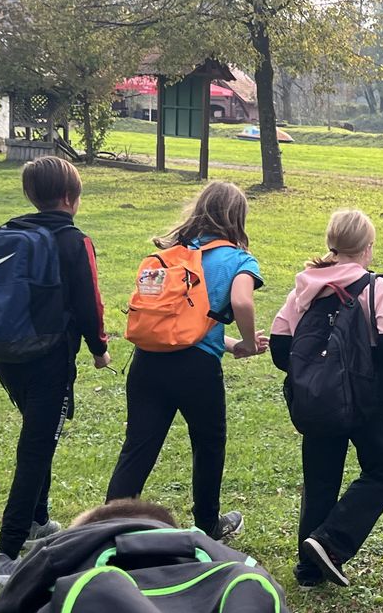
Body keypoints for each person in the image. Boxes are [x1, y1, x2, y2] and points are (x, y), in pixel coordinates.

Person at [0, 156, 111, 588]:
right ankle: (6, 555)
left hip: (6, 357)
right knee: (36, 447)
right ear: (71, 196)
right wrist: (99, 349)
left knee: (39, 435)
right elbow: (88, 303)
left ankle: (37, 521)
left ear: (30, 194)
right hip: (49, 358)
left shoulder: (2, 237)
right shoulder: (74, 241)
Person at [105, 181, 266, 542]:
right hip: (196, 371)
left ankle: (106, 528)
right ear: (237, 218)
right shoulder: (237, 259)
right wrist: (247, 341)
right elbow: (241, 301)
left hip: (148, 361)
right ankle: (208, 524)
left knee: (138, 447)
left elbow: (180, 323)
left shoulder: (171, 254)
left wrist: (230, 345)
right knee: (208, 445)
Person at [270, 209, 383, 588]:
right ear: (368, 248)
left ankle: (309, 568)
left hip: (317, 399)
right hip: (366, 399)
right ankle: (332, 542)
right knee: (382, 469)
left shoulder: (304, 288)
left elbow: (280, 346)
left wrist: (312, 374)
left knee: (320, 480)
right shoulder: (377, 287)